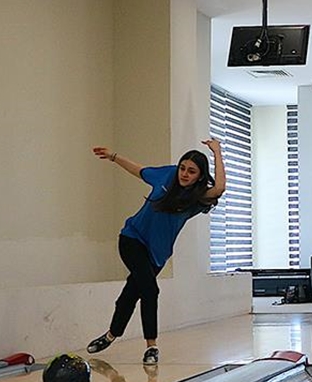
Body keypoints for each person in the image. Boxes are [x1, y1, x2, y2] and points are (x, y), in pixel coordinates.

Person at [86, 141, 225, 364]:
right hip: (132, 239)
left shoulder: (198, 197)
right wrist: (113, 156)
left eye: (191, 171)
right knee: (150, 290)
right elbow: (138, 170)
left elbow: (219, 188)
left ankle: (111, 335)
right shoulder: (166, 175)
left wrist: (217, 152)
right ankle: (152, 346)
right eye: (182, 168)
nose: (184, 174)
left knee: (130, 294)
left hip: (157, 254)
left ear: (200, 176)